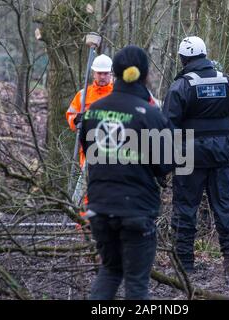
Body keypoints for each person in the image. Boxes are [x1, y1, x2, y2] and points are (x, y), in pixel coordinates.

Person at [79, 45, 173, 300]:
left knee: (109, 271)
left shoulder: (92, 112)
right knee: (136, 283)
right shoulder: (151, 114)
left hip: (99, 205)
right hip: (136, 210)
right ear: (143, 75)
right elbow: (164, 164)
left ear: (116, 73)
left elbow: (89, 151)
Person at [162, 36, 229, 281]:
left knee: (186, 208)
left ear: (183, 58)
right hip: (222, 154)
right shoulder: (228, 84)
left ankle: (185, 265)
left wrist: (162, 167)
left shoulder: (180, 87)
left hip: (189, 156)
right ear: (205, 55)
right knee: (226, 206)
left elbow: (167, 129)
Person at [66, 54, 114, 167]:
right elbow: (70, 115)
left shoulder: (118, 94)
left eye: (105, 73)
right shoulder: (83, 95)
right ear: (93, 74)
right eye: (99, 73)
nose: (102, 76)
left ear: (111, 73)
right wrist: (76, 119)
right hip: (88, 153)